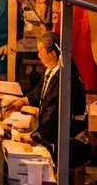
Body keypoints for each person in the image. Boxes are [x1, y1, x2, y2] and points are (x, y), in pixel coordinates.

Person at [17, 30, 90, 168]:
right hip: (54, 133)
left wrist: (35, 137)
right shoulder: (53, 69)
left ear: (52, 53)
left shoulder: (64, 78)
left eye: (40, 51)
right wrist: (23, 101)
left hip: (68, 143)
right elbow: (41, 90)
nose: (38, 55)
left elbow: (53, 113)